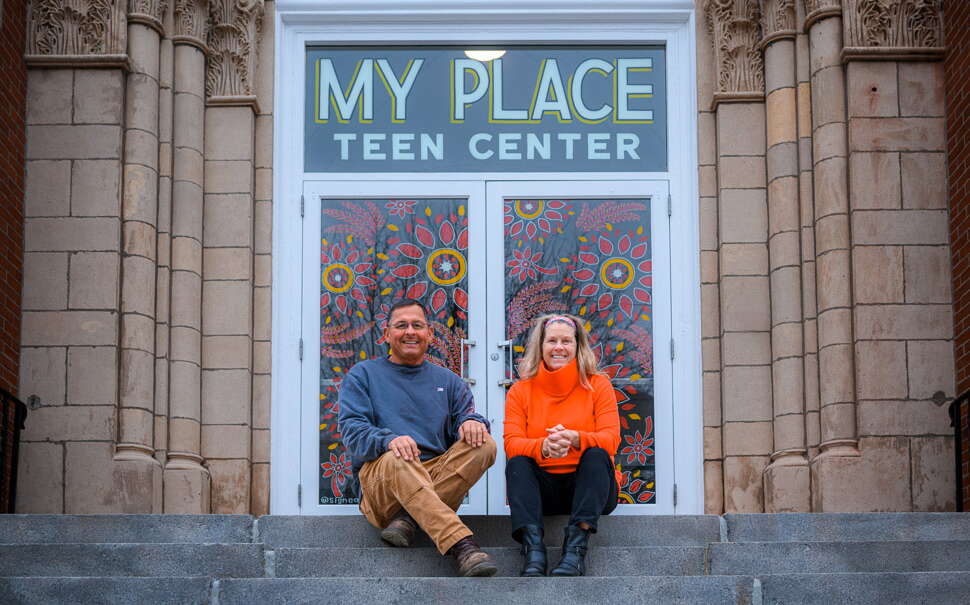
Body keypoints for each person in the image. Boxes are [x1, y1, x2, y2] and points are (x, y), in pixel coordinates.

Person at [338, 298, 498, 577]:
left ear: (429, 335)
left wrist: (473, 422)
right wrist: (387, 440)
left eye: (417, 325)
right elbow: (352, 431)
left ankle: (409, 520)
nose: (410, 331)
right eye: (401, 325)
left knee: (484, 444)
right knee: (399, 457)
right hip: (382, 483)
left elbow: (466, 416)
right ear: (386, 334)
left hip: (431, 475)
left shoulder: (449, 381)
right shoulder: (363, 375)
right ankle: (462, 545)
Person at [503, 313, 621, 577]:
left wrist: (576, 439)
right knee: (518, 462)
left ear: (578, 347)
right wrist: (543, 447)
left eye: (567, 341)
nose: (559, 347)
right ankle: (533, 551)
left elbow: (611, 439)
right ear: (541, 346)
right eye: (552, 340)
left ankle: (575, 551)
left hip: (591, 490)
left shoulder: (598, 385)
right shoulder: (520, 391)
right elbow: (512, 444)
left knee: (597, 455)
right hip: (544, 495)